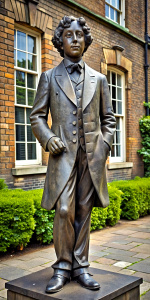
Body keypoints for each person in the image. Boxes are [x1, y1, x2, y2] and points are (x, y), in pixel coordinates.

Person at [30, 15, 116, 294]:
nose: (75, 39)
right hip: (63, 157)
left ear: (86, 41)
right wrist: (49, 137)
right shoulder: (48, 77)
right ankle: (62, 266)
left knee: (83, 210)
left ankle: (81, 266)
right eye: (70, 35)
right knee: (64, 209)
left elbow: (109, 119)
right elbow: (37, 117)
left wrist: (104, 146)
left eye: (80, 35)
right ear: (60, 40)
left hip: (92, 157)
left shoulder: (99, 79)